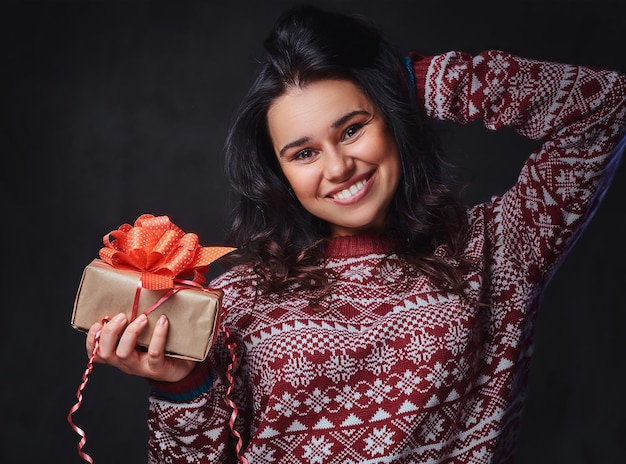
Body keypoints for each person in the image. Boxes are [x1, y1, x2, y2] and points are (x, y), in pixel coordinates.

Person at [85, 4, 626, 463]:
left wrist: (409, 79)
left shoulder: (500, 248)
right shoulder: (235, 297)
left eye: (352, 128)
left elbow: (606, 108)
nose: (339, 166)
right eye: (304, 153)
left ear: (393, 118)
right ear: (280, 174)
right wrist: (181, 388)